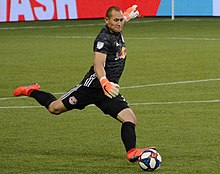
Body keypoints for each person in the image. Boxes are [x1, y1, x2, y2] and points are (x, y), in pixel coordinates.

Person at [13, 5, 154, 163]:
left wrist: (128, 16)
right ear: (106, 21)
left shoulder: (117, 28)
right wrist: (104, 81)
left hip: (108, 91)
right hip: (92, 87)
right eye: (116, 20)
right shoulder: (103, 39)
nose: (119, 23)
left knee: (130, 119)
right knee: (54, 108)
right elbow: (98, 65)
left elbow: (121, 21)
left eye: (121, 20)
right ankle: (30, 91)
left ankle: (132, 152)